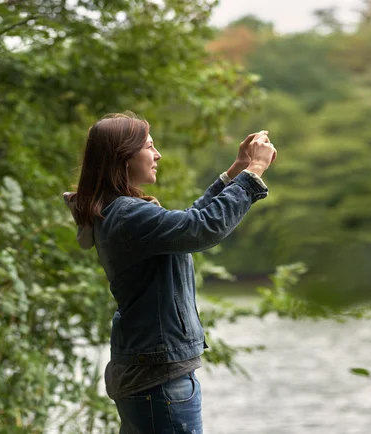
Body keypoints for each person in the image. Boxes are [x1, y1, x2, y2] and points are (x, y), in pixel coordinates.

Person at [63, 112, 277, 434]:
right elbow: (202, 228)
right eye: (149, 146)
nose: (157, 154)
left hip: (150, 374)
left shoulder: (116, 210)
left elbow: (188, 223)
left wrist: (235, 172)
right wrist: (255, 171)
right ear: (123, 157)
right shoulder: (127, 215)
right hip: (159, 380)